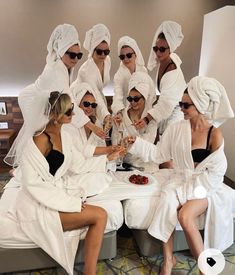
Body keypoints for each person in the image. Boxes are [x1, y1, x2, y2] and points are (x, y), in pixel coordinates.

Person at [2, 89, 124, 275]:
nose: (73, 115)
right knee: (99, 216)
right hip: (37, 204)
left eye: (72, 109)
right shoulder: (38, 140)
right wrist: (70, 203)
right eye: (68, 112)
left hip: (55, 195)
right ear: (54, 115)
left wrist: (109, 157)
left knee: (101, 215)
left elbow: (78, 165)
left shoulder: (65, 136)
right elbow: (32, 183)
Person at [127, 76, 234, 275]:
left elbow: (218, 171)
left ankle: (205, 269)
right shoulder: (176, 129)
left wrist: (190, 192)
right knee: (167, 200)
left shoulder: (214, 134)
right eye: (180, 104)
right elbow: (160, 155)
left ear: (200, 105)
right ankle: (169, 260)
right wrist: (136, 142)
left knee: (185, 216)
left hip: (206, 185)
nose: (181, 108)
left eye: (186, 105)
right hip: (181, 179)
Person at [135, 21, 186, 136]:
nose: (158, 52)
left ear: (170, 48)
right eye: (156, 48)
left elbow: (166, 103)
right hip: (166, 110)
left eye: (162, 49)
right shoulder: (165, 60)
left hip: (176, 113)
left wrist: (147, 119)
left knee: (169, 145)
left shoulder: (172, 71)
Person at [66, 82, 119, 158]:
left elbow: (102, 149)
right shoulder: (69, 125)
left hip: (95, 167)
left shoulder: (97, 124)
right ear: (78, 103)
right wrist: (108, 149)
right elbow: (78, 151)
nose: (90, 108)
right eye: (86, 104)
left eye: (93, 105)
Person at [74, 23, 111, 124]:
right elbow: (95, 92)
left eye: (106, 51)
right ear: (92, 50)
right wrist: (106, 115)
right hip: (83, 102)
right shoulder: (85, 71)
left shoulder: (108, 61)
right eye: (99, 51)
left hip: (95, 101)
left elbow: (98, 93)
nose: (103, 55)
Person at [111, 36, 150, 115]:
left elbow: (147, 93)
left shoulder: (143, 70)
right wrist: (119, 112)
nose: (125, 59)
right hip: (124, 111)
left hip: (141, 111)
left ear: (135, 54)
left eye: (129, 55)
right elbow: (117, 96)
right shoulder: (119, 75)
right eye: (122, 56)